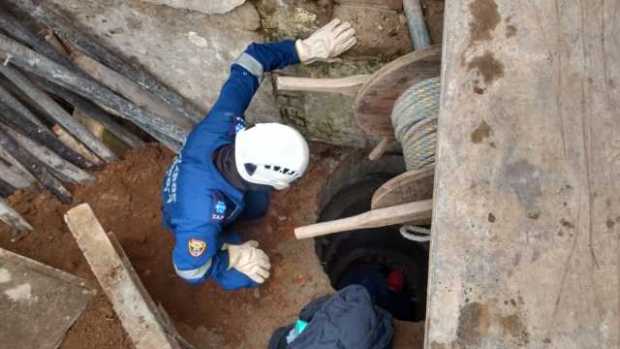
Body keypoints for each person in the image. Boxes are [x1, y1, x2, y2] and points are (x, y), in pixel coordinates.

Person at [161, 19, 357, 290]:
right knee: (251, 272)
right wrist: (232, 256)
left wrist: (305, 49)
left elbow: (251, 59)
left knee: (257, 206)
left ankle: (242, 218)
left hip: (202, 183)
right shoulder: (201, 221)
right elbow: (187, 270)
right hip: (185, 211)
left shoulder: (224, 121)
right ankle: (230, 257)